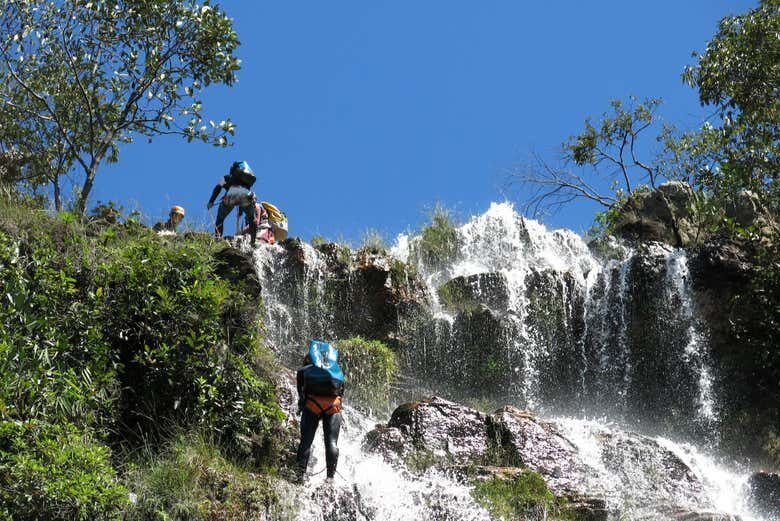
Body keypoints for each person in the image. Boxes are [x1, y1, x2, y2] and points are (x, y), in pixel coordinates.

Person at [296, 340, 345, 482]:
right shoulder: (335, 369)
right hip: (333, 406)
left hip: (312, 404)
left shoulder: (304, 371)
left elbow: (301, 392)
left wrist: (302, 403)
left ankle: (299, 476)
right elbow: (341, 392)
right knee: (332, 442)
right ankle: (330, 478)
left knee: (306, 441)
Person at [206, 160, 257, 246]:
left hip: (231, 195)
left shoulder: (226, 177)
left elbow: (217, 188)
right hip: (246, 194)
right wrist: (241, 212)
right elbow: (241, 195)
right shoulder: (247, 180)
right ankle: (253, 242)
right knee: (252, 219)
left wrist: (211, 201)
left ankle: (218, 239)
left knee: (220, 219)